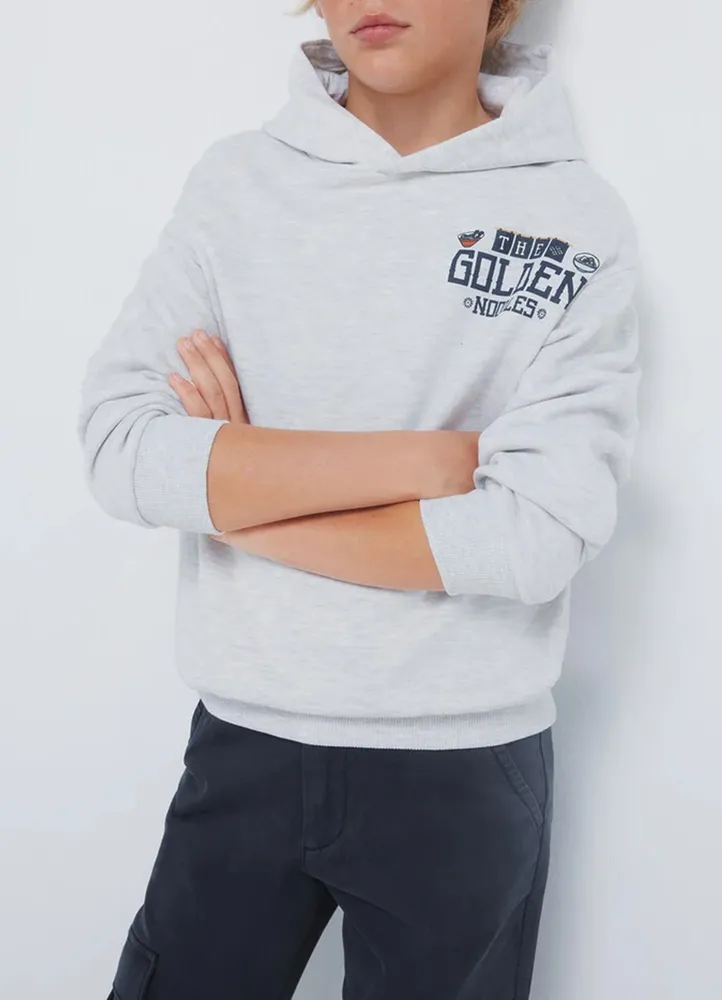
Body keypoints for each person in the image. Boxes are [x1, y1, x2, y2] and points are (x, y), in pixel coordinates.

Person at [77, 1, 641, 997]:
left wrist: (237, 485)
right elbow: (123, 450)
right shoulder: (238, 185)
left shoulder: (571, 215)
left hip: (462, 767)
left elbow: (531, 538)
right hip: (241, 745)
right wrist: (426, 462)